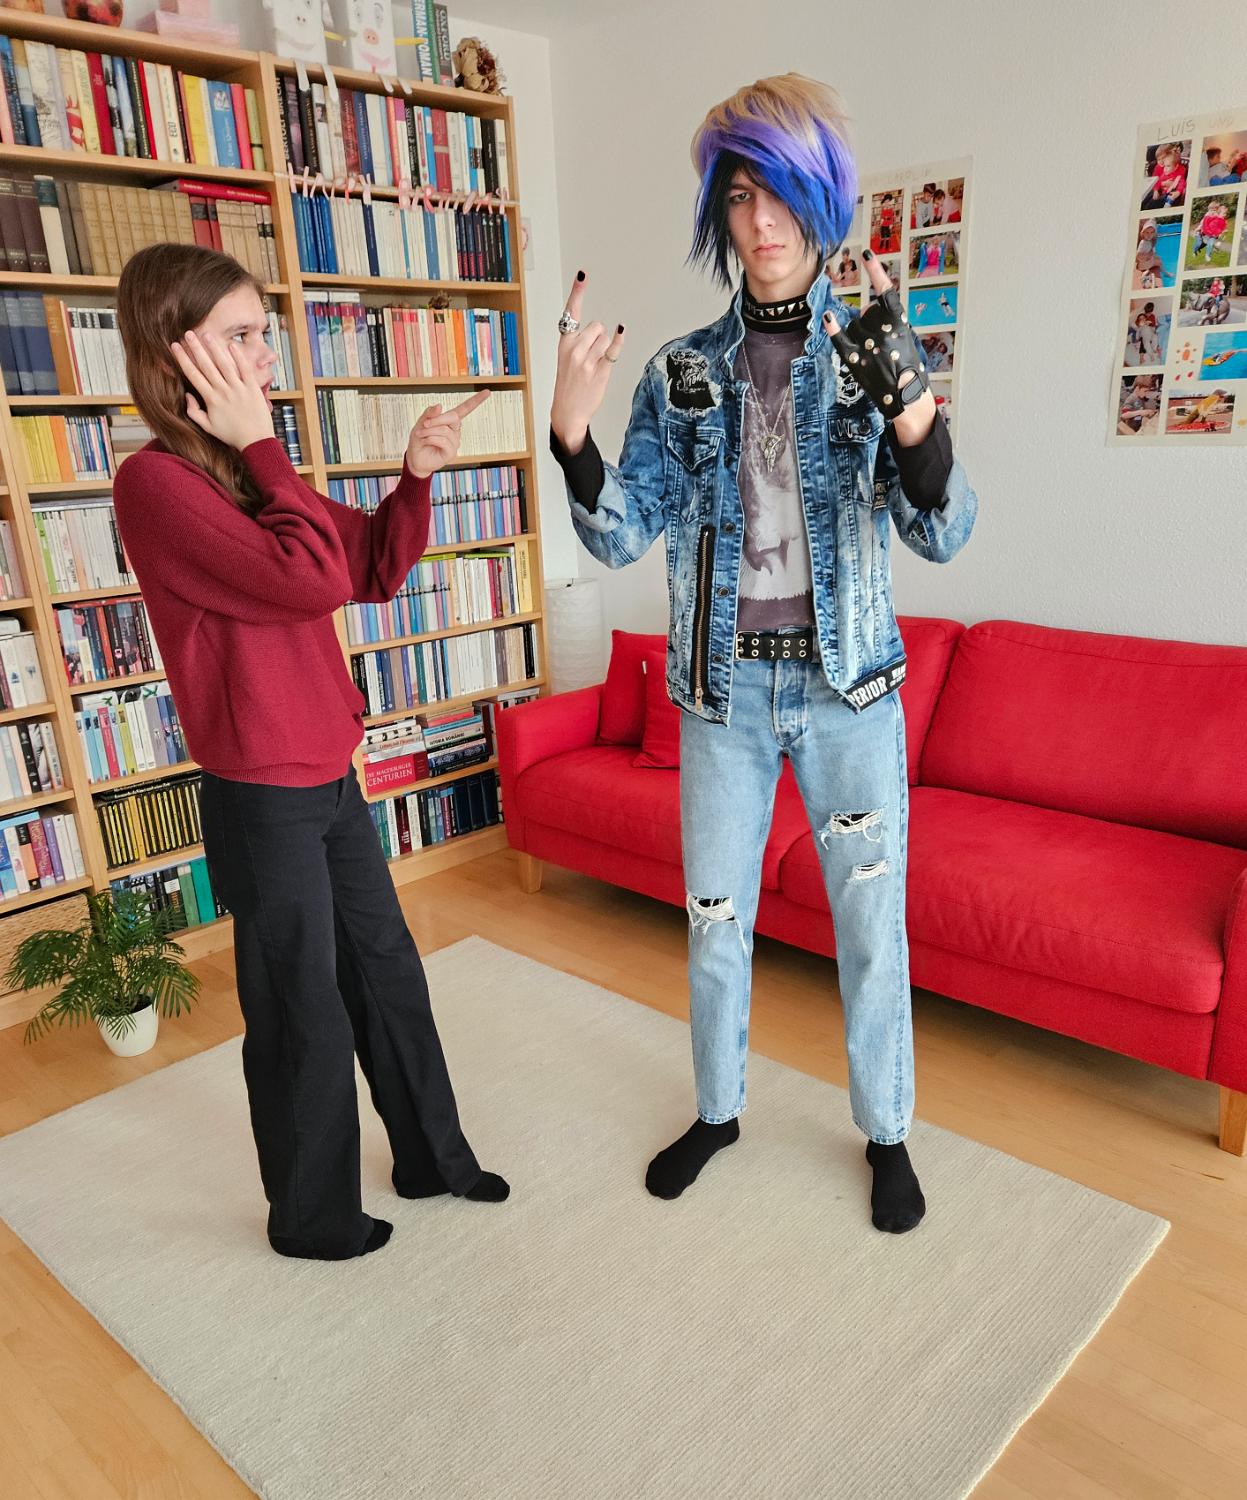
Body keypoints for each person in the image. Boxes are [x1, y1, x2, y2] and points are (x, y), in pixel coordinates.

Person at [548, 74, 978, 1234]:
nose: (759, 220)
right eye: (737, 195)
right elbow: (621, 530)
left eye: (779, 191)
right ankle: (718, 1111)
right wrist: (571, 438)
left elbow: (942, 531)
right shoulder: (679, 372)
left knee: (869, 928)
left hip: (848, 695)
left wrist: (911, 412)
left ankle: (885, 1132)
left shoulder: (874, 351)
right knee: (713, 918)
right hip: (721, 696)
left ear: (818, 198)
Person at [113, 243, 509, 1262]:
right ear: (177, 350)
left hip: (329, 771)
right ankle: (311, 1218)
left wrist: (413, 479)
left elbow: (364, 565)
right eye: (243, 337)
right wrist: (263, 446)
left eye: (263, 335)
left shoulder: (245, 474)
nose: (265, 358)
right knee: (301, 1010)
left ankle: (432, 1159)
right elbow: (306, 581)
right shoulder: (157, 484)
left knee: (386, 971)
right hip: (259, 792)